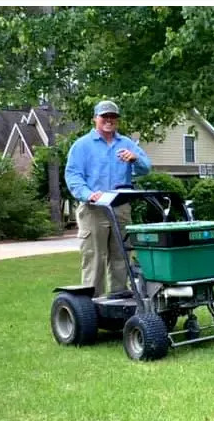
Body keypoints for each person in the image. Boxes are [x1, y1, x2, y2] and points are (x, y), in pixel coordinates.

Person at [65, 100, 152, 298]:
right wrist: (88, 194)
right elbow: (73, 176)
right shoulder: (82, 146)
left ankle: (118, 303)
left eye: (113, 117)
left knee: (121, 257)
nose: (109, 120)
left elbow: (146, 168)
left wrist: (135, 159)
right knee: (94, 259)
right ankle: (92, 308)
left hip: (121, 208)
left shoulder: (127, 144)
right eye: (104, 116)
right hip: (93, 209)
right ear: (95, 119)